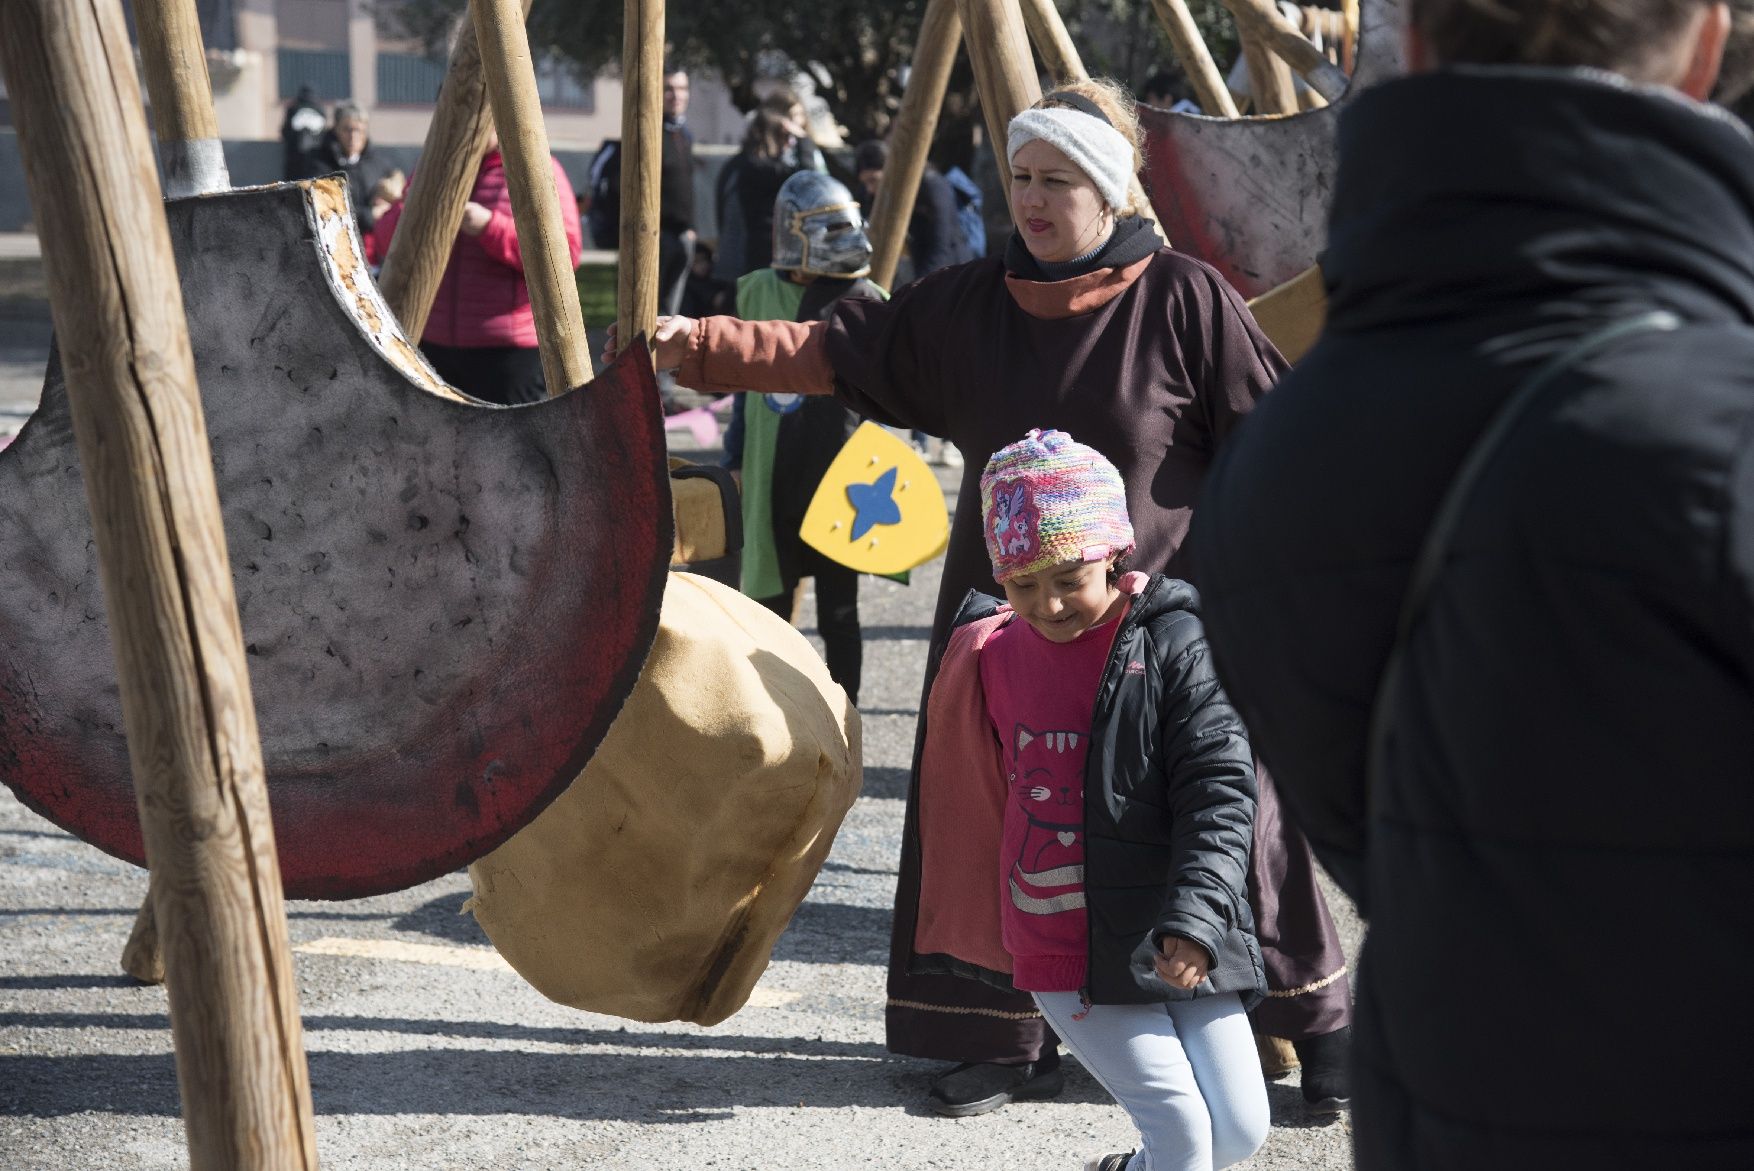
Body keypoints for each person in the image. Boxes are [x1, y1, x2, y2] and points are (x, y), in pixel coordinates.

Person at [606, 77, 1354, 1118]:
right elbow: (833, 350)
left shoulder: (1181, 298)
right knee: (1004, 827)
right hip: (1010, 638)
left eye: (1056, 180)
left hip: (1157, 637)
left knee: (1228, 817)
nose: (1033, 200)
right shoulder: (966, 305)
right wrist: (700, 347)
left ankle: (1314, 1034)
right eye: (1019, 179)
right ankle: (999, 1041)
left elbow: (1277, 444)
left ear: (1105, 190)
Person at [1186, 2, 1754, 1167]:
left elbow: (1376, 828)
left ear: (1421, 46)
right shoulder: (1722, 419)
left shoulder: (1278, 446)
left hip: (1447, 1099)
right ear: (1702, 43)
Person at [919, 427, 1269, 1171]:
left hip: (1173, 927)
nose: (1047, 603)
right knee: (1181, 1132)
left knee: (1239, 1130)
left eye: (1069, 576)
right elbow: (970, 794)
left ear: (1114, 551)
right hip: (1062, 943)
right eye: (1022, 582)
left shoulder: (1178, 644)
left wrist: (1199, 920)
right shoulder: (987, 652)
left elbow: (1221, 790)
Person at [723, 172, 884, 704]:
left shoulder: (868, 299)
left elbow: (887, 396)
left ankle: (846, 718)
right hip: (772, 473)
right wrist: (734, 460)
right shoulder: (755, 291)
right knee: (767, 607)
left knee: (840, 611)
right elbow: (746, 389)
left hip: (841, 479)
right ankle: (774, 715)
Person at [374, 129, 583, 405]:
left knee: (511, 446)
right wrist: (414, 207)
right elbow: (386, 244)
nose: (467, 125)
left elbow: (565, 256)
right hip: (433, 346)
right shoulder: (433, 167)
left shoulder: (536, 167)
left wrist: (489, 227)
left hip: (507, 353)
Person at [712, 89, 826, 283]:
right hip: (762, 260)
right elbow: (809, 180)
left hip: (759, 260)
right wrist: (804, 140)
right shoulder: (758, 166)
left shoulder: (743, 164)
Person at [302, 103, 399, 237]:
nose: (353, 136)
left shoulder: (379, 163)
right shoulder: (319, 163)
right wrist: (368, 216)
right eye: (347, 129)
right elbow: (323, 207)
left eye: (359, 130)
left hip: (373, 247)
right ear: (336, 130)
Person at [280, 85, 328, 182]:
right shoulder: (320, 109)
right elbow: (325, 133)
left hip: (294, 158)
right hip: (316, 158)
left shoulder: (293, 109)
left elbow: (285, 131)